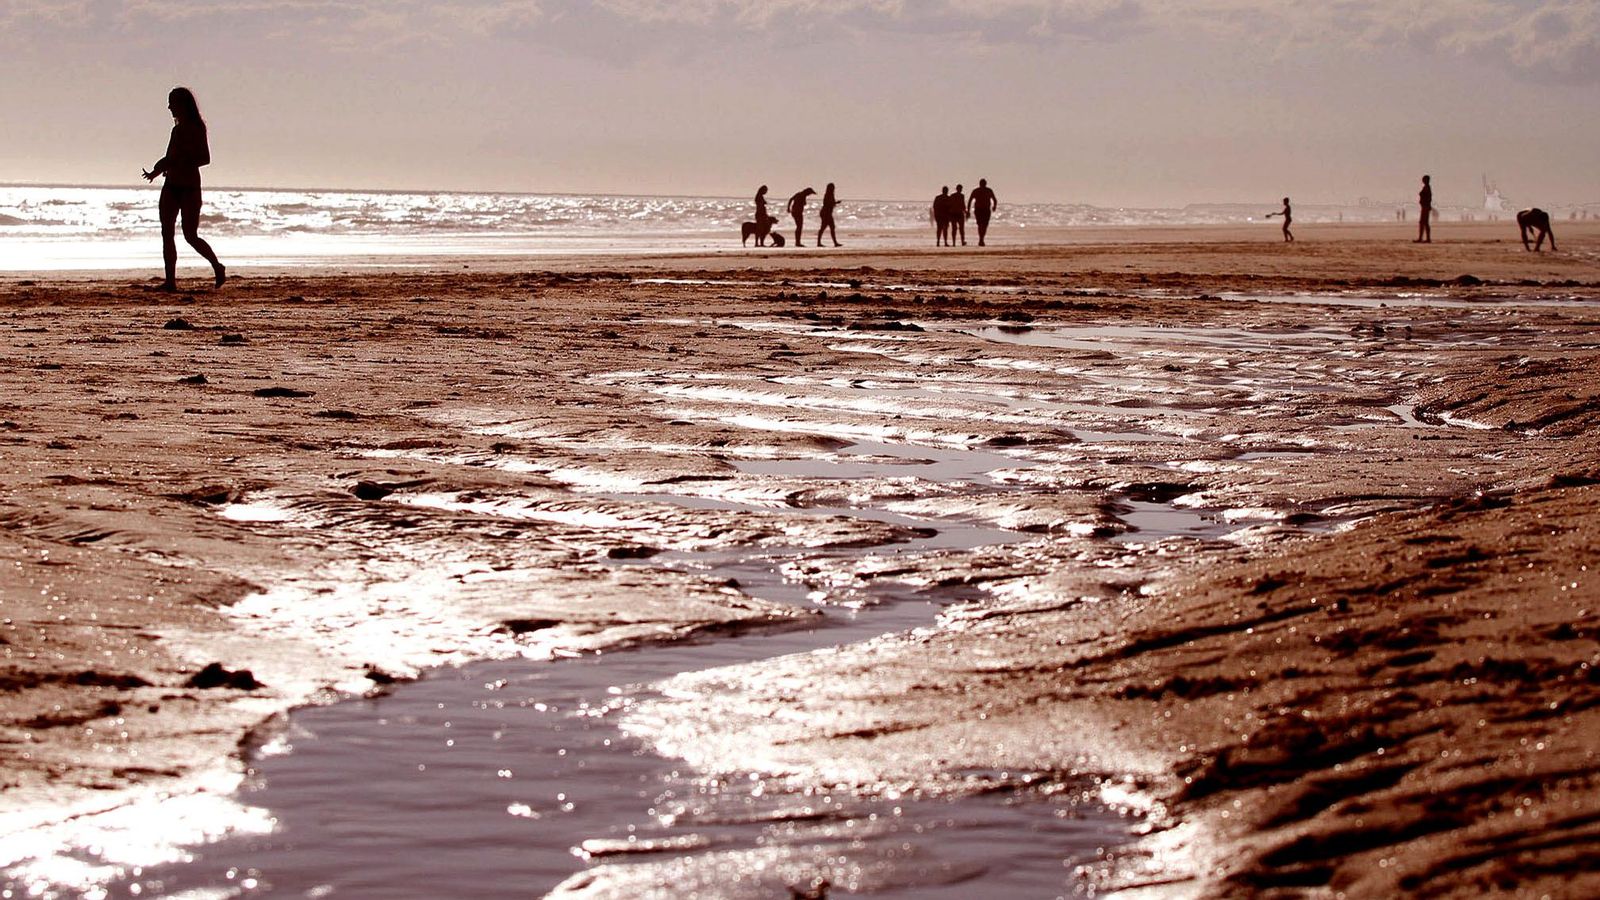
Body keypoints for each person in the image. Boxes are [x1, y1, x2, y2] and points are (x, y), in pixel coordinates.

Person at [143, 87, 224, 290]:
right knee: (167, 233)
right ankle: (170, 281)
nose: (169, 107)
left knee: (190, 236)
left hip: (189, 189)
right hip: (171, 186)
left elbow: (204, 158)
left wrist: (180, 161)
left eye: (172, 103)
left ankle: (217, 266)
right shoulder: (176, 130)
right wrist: (156, 171)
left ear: (183, 105)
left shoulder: (196, 128)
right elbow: (169, 157)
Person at [968, 178, 997, 246]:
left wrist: (994, 206)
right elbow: (970, 200)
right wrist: (968, 211)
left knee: (984, 225)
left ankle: (981, 239)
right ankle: (981, 239)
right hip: (979, 210)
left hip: (985, 209)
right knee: (981, 225)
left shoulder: (988, 190)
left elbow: (994, 200)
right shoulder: (977, 191)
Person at [816, 183, 841, 247]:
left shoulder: (830, 195)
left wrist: (835, 203)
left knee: (830, 227)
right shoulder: (828, 195)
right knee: (825, 227)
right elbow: (827, 203)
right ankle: (819, 242)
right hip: (826, 213)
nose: (834, 189)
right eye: (832, 187)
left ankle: (834, 242)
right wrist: (836, 202)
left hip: (827, 213)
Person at [1414, 175, 1432, 243]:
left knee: (1423, 222)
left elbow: (1428, 198)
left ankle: (1424, 238)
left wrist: (1427, 205)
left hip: (1425, 207)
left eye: (1424, 179)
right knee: (1424, 222)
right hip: (1424, 206)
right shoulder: (1426, 187)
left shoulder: (1427, 187)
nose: (1423, 180)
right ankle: (1424, 238)